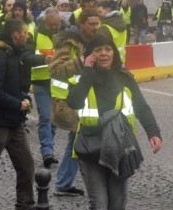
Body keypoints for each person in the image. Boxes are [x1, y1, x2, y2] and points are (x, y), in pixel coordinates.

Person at [66, 33, 162, 210]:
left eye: (108, 49)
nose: (104, 53)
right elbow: (74, 102)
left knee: (117, 203)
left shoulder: (125, 77)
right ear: (89, 54)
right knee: (99, 204)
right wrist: (88, 72)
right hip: (90, 148)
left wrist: (153, 132)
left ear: (114, 53)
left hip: (119, 147)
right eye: (98, 50)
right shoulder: (82, 78)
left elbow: (141, 107)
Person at [49, 8, 100, 196]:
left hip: (91, 101)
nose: (95, 27)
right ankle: (66, 183)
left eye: (97, 23)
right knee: (77, 143)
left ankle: (64, 183)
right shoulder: (68, 44)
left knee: (78, 143)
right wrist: (79, 62)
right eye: (91, 24)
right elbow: (54, 70)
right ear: (81, 24)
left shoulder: (96, 41)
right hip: (73, 102)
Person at [0, 19, 35, 210]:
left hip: (14, 122)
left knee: (26, 165)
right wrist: (17, 104)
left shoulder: (14, 54)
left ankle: (25, 203)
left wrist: (25, 99)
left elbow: (13, 87)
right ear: (16, 34)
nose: (27, 35)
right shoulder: (0, 55)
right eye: (25, 32)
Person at [23, 8, 62, 167]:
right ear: (45, 22)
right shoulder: (35, 35)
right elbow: (26, 57)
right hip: (40, 82)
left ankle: (49, 148)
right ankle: (47, 151)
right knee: (45, 117)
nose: (54, 27)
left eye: (57, 24)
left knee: (54, 119)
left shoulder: (65, 34)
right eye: (51, 25)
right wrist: (43, 59)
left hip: (59, 83)